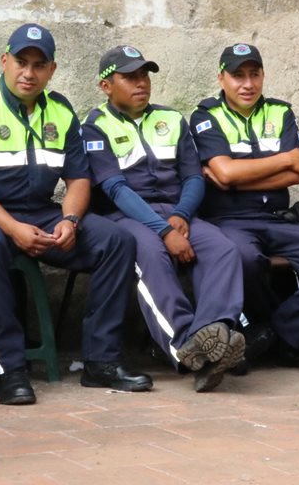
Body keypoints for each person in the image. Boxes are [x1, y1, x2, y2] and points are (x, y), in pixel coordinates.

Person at [0, 23, 152, 404]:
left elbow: (78, 179)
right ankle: (10, 371)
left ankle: (101, 362)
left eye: (39, 65)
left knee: (117, 241)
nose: (29, 73)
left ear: (52, 70)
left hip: (42, 213)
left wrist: (70, 220)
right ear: (4, 61)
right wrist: (11, 228)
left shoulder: (60, 111)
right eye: (21, 63)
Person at [82, 44, 245, 391]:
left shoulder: (171, 119)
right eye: (129, 77)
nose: (141, 83)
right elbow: (115, 189)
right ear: (106, 86)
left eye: (144, 75)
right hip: (125, 216)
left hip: (177, 213)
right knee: (150, 253)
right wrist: (162, 229)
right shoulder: (95, 126)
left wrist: (182, 215)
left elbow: (192, 178)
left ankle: (213, 334)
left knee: (223, 248)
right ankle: (186, 346)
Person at [191, 44, 299, 367]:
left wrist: (234, 179)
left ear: (264, 76)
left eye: (254, 74)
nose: (247, 84)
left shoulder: (281, 112)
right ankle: (270, 333)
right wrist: (280, 160)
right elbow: (232, 170)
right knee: (245, 258)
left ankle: (273, 332)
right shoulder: (206, 115)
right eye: (238, 76)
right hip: (228, 220)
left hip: (277, 218)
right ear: (221, 78)